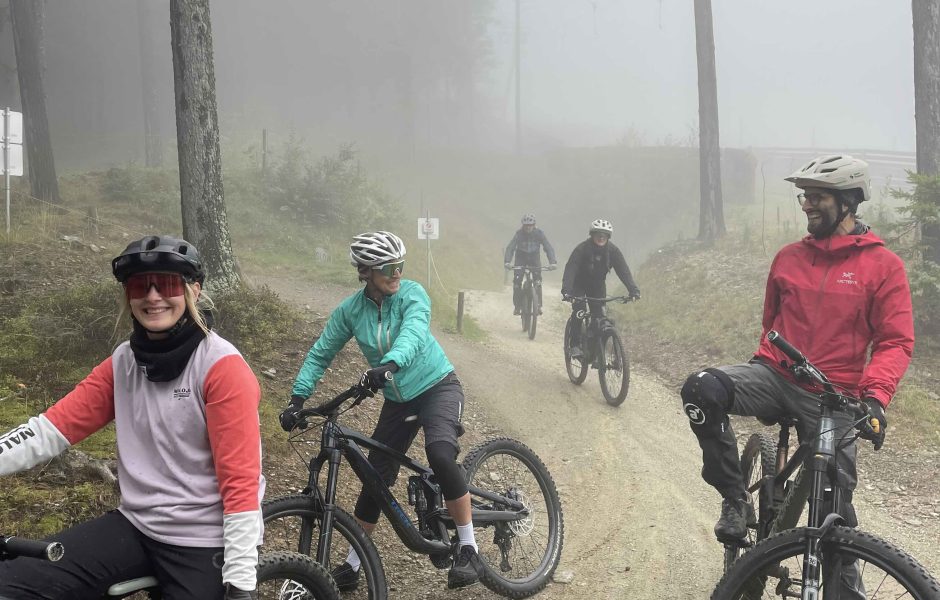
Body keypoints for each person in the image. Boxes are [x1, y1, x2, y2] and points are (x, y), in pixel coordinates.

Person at [679, 155, 914, 596]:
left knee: (834, 512)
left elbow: (894, 341)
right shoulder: (789, 257)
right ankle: (734, 499)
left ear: (847, 202)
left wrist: (875, 398)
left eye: (817, 196)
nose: (806, 204)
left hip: (836, 395)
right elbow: (772, 321)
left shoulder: (883, 267)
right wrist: (769, 362)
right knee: (701, 388)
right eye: (803, 195)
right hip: (774, 373)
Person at [0, 235, 264, 600]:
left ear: (194, 291)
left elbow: (241, 483)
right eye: (140, 285)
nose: (153, 296)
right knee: (11, 582)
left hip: (202, 539)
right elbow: (49, 429)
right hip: (136, 525)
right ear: (129, 296)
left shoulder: (221, 368)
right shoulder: (124, 361)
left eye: (168, 283)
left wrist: (241, 581)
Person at [278, 231, 481, 591]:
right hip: (399, 400)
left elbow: (414, 334)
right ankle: (353, 566)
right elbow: (321, 352)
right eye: (389, 267)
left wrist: (388, 365)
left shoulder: (412, 295)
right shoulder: (351, 311)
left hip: (438, 386)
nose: (397, 273)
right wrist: (297, 399)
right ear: (367, 271)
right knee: (375, 475)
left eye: (400, 265)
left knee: (439, 453)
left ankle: (468, 548)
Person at [560, 218, 641, 358]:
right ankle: (574, 345)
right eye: (598, 234)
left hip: (598, 285)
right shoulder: (581, 249)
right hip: (578, 284)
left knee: (600, 318)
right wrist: (567, 290)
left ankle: (595, 350)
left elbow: (623, 271)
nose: (601, 237)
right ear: (592, 235)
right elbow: (571, 269)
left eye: (604, 235)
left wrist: (633, 289)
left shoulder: (613, 251)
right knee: (579, 311)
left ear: (608, 237)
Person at [504, 213, 557, 315]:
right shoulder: (518, 234)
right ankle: (517, 306)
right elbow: (510, 248)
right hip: (521, 258)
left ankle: (538, 305)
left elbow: (548, 247)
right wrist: (507, 261)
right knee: (517, 282)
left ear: (534, 225)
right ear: (523, 225)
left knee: (537, 281)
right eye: (526, 225)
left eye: (530, 225)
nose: (528, 227)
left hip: (534, 258)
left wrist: (552, 262)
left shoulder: (539, 234)